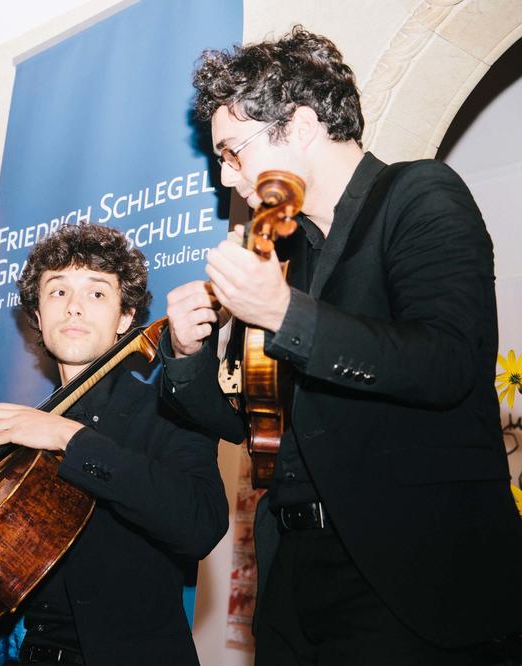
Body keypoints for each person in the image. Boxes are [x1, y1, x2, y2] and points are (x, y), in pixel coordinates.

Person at [161, 26, 522, 664]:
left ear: (300, 125)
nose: (225, 176)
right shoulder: (287, 256)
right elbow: (256, 429)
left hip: (412, 575)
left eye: (233, 152)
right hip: (294, 577)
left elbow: (446, 362)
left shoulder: (420, 194)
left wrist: (282, 312)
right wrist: (190, 361)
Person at [0, 224, 228, 665]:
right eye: (57, 292)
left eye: (97, 293)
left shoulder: (171, 410)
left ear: (126, 317)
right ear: (37, 315)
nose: (73, 307)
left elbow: (201, 525)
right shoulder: (19, 428)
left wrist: (69, 438)